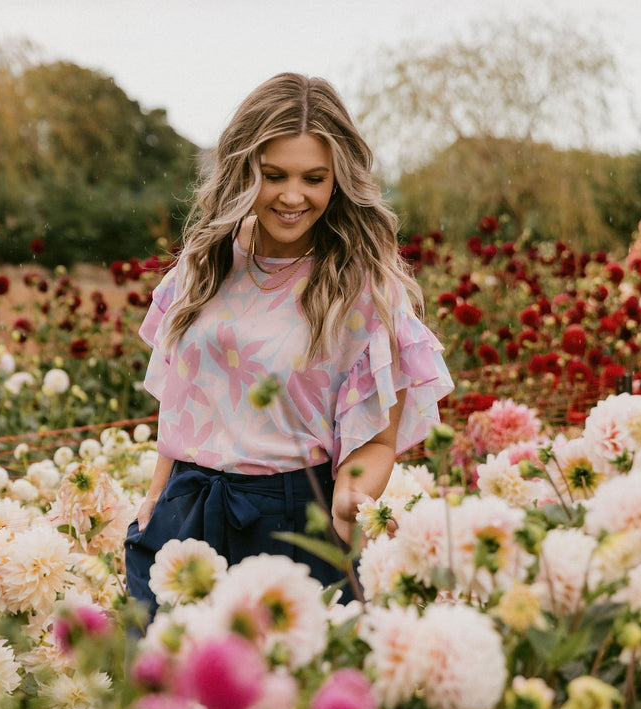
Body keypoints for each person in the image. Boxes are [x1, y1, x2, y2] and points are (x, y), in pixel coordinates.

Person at [125, 73, 453, 614]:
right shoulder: (207, 260)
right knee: (166, 689)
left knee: (282, 695)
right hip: (184, 513)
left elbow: (376, 440)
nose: (293, 196)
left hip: (294, 521)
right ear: (242, 171)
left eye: (314, 178)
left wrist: (352, 501)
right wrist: (158, 496)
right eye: (273, 175)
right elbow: (183, 398)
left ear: (338, 180)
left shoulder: (362, 286)